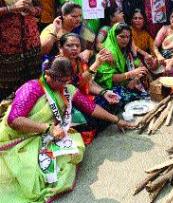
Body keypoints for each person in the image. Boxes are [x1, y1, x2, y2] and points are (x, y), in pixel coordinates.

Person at [0, 57, 134, 203]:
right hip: (21, 136)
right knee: (28, 174)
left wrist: (116, 120)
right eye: (62, 81)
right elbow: (14, 120)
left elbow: (90, 108)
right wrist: (48, 128)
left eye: (67, 81)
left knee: (75, 147)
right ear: (48, 75)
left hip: (46, 135)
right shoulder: (32, 88)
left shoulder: (66, 89)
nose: (65, 85)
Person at [95, 23, 150, 110]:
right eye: (122, 36)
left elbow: (136, 64)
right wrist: (131, 74)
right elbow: (110, 78)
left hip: (123, 81)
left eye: (128, 37)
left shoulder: (125, 49)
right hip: (106, 86)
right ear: (114, 36)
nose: (125, 40)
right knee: (124, 98)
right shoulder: (108, 53)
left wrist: (135, 77)